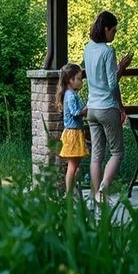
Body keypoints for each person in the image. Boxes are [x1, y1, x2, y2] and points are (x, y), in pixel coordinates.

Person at [83, 11, 133, 204]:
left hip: (92, 108)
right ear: (106, 29)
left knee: (96, 155)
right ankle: (103, 189)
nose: (115, 33)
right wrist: (122, 67)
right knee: (117, 152)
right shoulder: (107, 51)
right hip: (106, 108)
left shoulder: (88, 49)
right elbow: (112, 84)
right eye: (114, 30)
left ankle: (96, 196)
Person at [56, 63, 88, 194]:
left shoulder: (72, 94)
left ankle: (74, 191)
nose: (81, 82)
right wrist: (87, 107)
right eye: (79, 79)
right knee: (72, 166)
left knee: (75, 166)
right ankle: (69, 193)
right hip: (72, 133)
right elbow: (76, 112)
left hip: (76, 132)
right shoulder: (70, 95)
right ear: (70, 80)